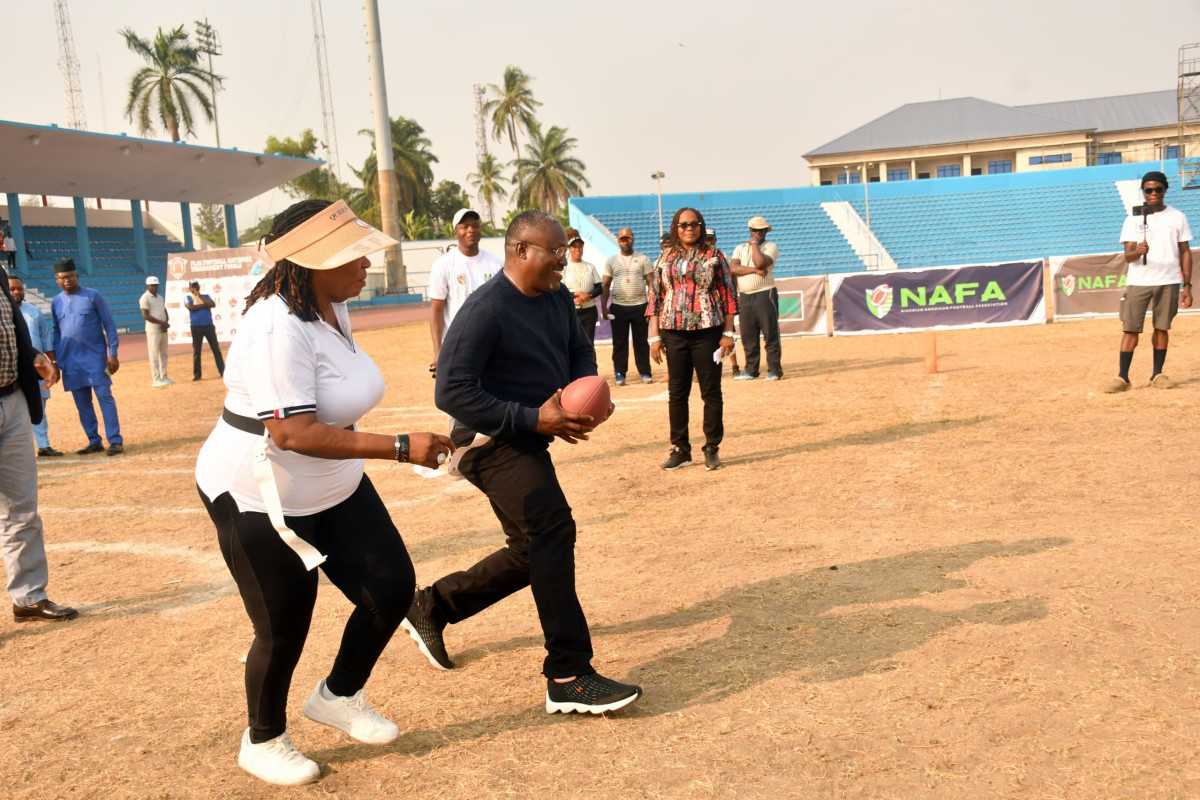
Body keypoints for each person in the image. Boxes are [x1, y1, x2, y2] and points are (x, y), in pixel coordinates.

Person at [195, 199, 454, 786]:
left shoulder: (330, 305)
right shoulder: (274, 326)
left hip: (332, 483)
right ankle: (262, 739)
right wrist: (398, 446)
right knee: (283, 624)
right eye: (352, 255)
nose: (367, 263)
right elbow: (291, 431)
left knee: (390, 588)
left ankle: (337, 695)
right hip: (261, 493)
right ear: (310, 264)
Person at [401, 209, 642, 715]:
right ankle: (568, 673)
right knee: (553, 530)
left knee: (534, 549)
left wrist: (589, 396)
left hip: (528, 432)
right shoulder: (485, 310)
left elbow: (580, 354)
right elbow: (451, 392)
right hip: (486, 440)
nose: (562, 260)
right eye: (553, 251)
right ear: (520, 251)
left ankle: (434, 605)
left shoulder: (554, 297)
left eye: (564, 250)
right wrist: (534, 419)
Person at [0, 265, 77, 621]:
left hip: (13, 400)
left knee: (21, 506)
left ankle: (28, 596)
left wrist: (33, 357)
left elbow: (12, 333)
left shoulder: (1, 274)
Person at [648, 207, 737, 472]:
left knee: (711, 392)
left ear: (701, 227)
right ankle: (680, 450)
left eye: (695, 223)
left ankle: (711, 448)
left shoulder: (714, 256)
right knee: (677, 393)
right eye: (684, 224)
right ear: (676, 227)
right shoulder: (664, 258)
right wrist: (654, 336)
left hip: (708, 332)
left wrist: (728, 334)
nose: (689, 228)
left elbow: (729, 295)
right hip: (673, 333)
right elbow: (655, 297)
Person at [1103, 171, 1193, 392]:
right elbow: (1127, 255)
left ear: (1165, 190)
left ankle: (1157, 374)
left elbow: (1185, 251)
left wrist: (1187, 285)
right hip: (1139, 281)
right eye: (1148, 190)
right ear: (1143, 191)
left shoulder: (1177, 216)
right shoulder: (1133, 219)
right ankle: (1123, 377)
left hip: (1169, 280)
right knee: (1130, 329)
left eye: (1158, 189)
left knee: (1161, 328)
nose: (1153, 194)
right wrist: (1137, 250)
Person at [50, 259, 123, 456]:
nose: (67, 281)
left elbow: (109, 324)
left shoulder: (93, 296)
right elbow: (57, 332)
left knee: (105, 397)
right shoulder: (56, 302)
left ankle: (115, 441)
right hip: (71, 362)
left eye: (70, 276)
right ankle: (94, 441)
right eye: (63, 278)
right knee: (82, 403)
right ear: (56, 280)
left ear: (77, 276)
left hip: (97, 360)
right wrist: (58, 361)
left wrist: (113, 353)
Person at [428, 208, 502, 378]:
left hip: (491, 344)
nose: (471, 230)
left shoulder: (497, 264)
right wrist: (438, 351)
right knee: (460, 397)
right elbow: (437, 310)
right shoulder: (443, 265)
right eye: (465, 226)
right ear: (455, 232)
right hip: (457, 345)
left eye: (475, 225)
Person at [9, 276, 62, 457]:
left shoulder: (35, 312)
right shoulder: (5, 315)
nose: (17, 292)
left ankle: (44, 446)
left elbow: (45, 339)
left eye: (19, 288)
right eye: (12, 289)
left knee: (39, 407)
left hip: (37, 369)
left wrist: (53, 363)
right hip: (13, 371)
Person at [730, 216, 783, 381]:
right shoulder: (739, 248)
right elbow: (733, 268)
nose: (758, 233)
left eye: (761, 230)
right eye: (754, 230)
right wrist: (754, 271)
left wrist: (754, 245)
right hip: (745, 296)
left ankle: (774, 370)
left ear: (766, 231)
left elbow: (760, 262)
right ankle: (751, 371)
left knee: (770, 334)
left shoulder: (771, 247)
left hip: (765, 293)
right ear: (750, 230)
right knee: (748, 336)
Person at [601, 227, 654, 385]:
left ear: (633, 240)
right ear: (618, 241)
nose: (625, 242)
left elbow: (651, 282)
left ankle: (645, 372)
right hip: (619, 306)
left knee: (641, 342)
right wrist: (604, 306)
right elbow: (605, 285)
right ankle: (620, 373)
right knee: (619, 343)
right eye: (622, 239)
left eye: (628, 238)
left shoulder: (643, 259)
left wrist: (651, 305)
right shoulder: (611, 261)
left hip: (640, 306)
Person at [562, 229, 604, 344]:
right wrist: (576, 295)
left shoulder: (590, 266)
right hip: (571, 311)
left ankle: (590, 362)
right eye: (574, 246)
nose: (577, 249)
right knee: (571, 343)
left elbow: (599, 288)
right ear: (569, 249)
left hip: (589, 311)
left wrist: (588, 296)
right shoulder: (564, 267)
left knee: (589, 344)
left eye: (580, 246)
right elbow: (560, 289)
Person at [185, 280, 225, 381]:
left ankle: (222, 371)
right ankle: (197, 375)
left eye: (196, 287)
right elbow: (191, 307)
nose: (195, 289)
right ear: (190, 288)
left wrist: (200, 298)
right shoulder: (188, 297)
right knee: (197, 352)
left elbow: (212, 304)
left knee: (216, 349)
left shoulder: (206, 296)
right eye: (193, 287)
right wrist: (205, 304)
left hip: (209, 326)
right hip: (196, 327)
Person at [139, 276, 173, 387]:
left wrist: (166, 322)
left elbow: (164, 311)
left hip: (163, 328)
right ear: (148, 286)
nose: (155, 288)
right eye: (152, 286)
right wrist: (161, 323)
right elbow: (146, 315)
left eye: (156, 285)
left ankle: (164, 376)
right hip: (153, 329)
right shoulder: (144, 298)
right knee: (154, 354)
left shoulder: (160, 298)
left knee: (164, 353)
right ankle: (156, 378)